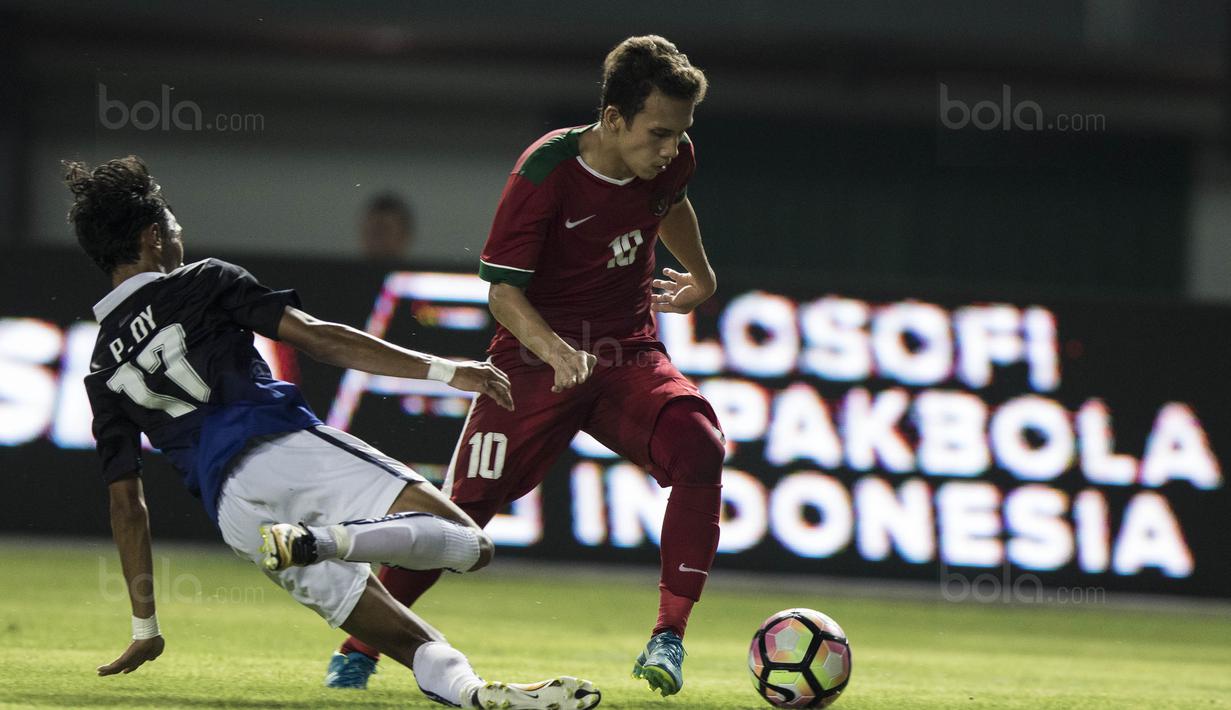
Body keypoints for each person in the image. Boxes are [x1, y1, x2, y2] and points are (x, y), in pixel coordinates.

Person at [68, 156, 601, 710]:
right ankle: (321, 540)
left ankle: (469, 693)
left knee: (402, 636)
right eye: (173, 227)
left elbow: (127, 505)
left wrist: (143, 625)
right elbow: (319, 338)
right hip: (283, 447)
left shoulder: (101, 369)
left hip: (236, 514)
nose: (180, 237)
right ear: (153, 237)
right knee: (472, 545)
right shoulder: (203, 280)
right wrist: (448, 370)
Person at [330, 35, 723, 698]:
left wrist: (704, 278)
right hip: (533, 359)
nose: (669, 150)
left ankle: (667, 638)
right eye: (657, 133)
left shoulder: (672, 159)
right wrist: (554, 350)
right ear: (612, 120)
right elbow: (502, 294)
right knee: (459, 520)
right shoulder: (544, 172)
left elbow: (671, 204)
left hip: (627, 350)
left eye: (678, 135)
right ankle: (359, 645)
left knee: (700, 447)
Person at [360, 192, 416, 262]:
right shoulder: (347, 272)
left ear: (404, 236)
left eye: (384, 230)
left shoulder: (423, 273)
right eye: (372, 231)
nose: (377, 238)